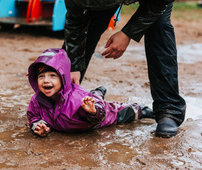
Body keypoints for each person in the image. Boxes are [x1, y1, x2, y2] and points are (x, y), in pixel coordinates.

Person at [62, 0, 186, 138]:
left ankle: (168, 108)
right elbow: (75, 21)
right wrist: (74, 65)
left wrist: (128, 33)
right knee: (88, 28)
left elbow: (159, 3)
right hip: (96, 4)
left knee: (158, 26)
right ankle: (60, 102)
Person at [26, 48, 154, 137]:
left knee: (119, 112)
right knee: (93, 97)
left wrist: (93, 111)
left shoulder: (78, 96)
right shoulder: (36, 100)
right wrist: (39, 126)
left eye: (52, 76)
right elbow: (34, 117)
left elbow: (99, 116)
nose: (46, 81)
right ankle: (98, 91)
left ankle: (144, 110)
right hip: (73, 117)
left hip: (96, 120)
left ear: (64, 78)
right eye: (41, 77)